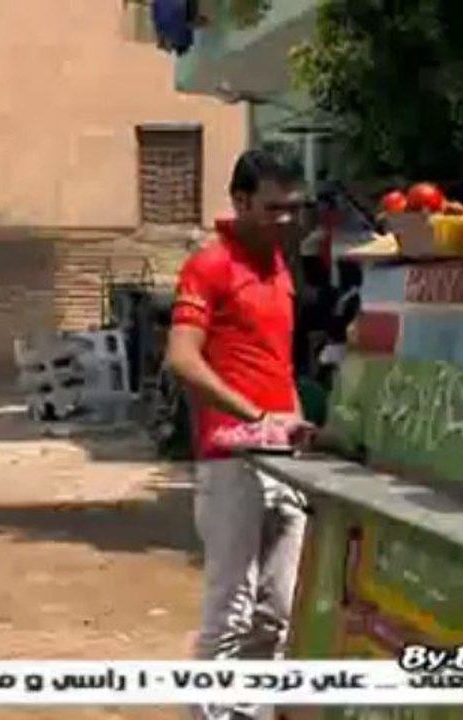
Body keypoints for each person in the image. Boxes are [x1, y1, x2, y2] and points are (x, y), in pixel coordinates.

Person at [165, 148, 313, 720]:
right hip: (230, 461)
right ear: (241, 201)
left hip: (284, 461)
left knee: (277, 613)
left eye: (294, 208)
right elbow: (183, 360)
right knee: (230, 610)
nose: (286, 220)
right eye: (274, 208)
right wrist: (255, 417)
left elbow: (277, 364)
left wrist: (294, 423)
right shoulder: (209, 266)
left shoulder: (279, 267)